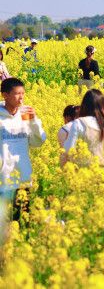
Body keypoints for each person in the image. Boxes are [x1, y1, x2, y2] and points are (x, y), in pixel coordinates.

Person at [0, 78, 46, 222]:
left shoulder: (25, 115)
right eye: (17, 94)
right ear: (5, 95)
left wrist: (33, 121)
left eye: (23, 94)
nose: (21, 98)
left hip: (23, 177)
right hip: (3, 178)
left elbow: (38, 141)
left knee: (21, 221)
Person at [60, 89, 104, 167]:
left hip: (83, 174)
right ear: (103, 106)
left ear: (84, 106)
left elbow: (69, 149)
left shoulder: (79, 123)